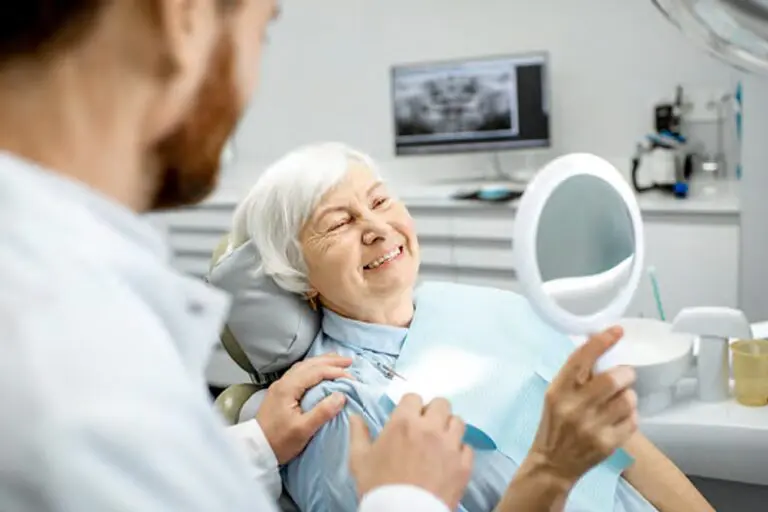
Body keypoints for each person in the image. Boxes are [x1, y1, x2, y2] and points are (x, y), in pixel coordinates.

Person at [0, 2, 468, 512]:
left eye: (378, 201)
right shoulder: (73, 368)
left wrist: (257, 443)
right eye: (262, 30)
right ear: (183, 17)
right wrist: (406, 499)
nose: (376, 229)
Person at [231, 142, 716, 512]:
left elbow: (624, 447)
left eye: (380, 202)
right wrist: (551, 468)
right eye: (339, 224)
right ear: (299, 274)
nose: (376, 228)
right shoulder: (335, 409)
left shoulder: (485, 307)